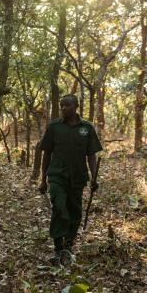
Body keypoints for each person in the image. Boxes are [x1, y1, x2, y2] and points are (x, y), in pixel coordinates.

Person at [38, 94, 102, 265]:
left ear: (76, 107)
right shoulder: (54, 127)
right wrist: (43, 179)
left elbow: (92, 155)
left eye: (67, 105)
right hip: (57, 175)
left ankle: (68, 245)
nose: (63, 108)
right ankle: (58, 247)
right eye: (62, 106)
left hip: (78, 177)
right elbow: (46, 154)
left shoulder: (87, 128)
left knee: (75, 211)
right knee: (59, 208)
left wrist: (94, 177)